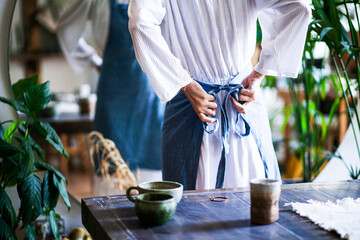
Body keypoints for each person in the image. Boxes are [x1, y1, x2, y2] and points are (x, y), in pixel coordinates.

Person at [128, 0, 311, 190]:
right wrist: (261, 70)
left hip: (200, 107)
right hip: (238, 104)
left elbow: (140, 22)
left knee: (188, 211)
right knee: (254, 207)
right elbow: (299, 5)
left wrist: (185, 83)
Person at [57, 0, 164, 183]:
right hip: (144, 92)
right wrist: (93, 60)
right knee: (150, 186)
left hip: (140, 95)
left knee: (112, 183)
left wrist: (93, 61)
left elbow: (67, 30)